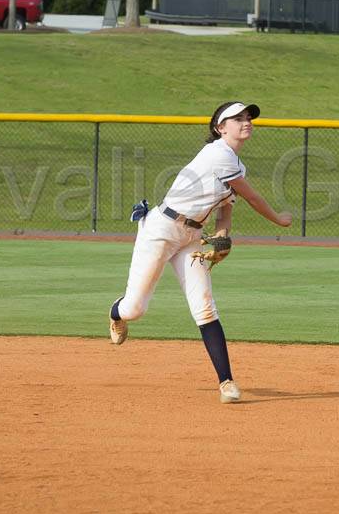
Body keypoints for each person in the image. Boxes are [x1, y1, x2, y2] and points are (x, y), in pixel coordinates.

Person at [107, 101, 293, 403]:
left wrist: (222, 238)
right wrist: (279, 219)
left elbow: (224, 213)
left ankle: (227, 383)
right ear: (221, 128)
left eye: (248, 118)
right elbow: (254, 198)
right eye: (238, 118)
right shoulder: (219, 154)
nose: (246, 122)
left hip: (192, 236)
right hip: (161, 230)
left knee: (205, 307)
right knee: (134, 310)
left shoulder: (235, 164)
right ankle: (117, 311)